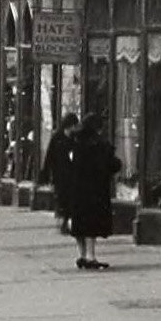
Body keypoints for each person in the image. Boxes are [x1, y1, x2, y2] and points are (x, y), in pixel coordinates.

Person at [61, 117, 121, 272]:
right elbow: (111, 165)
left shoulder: (75, 143)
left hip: (76, 189)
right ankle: (90, 256)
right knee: (91, 225)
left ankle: (82, 255)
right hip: (94, 190)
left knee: (79, 223)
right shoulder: (98, 145)